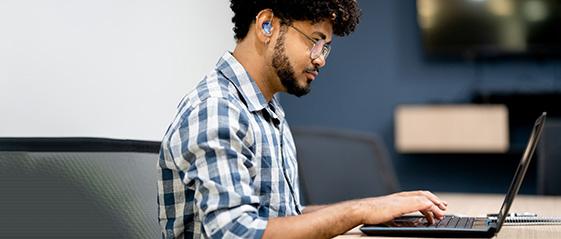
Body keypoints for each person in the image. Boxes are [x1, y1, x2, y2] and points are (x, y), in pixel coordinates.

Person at [157, 1, 447, 238]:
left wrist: (373, 208)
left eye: (325, 46)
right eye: (315, 40)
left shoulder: (267, 110)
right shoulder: (218, 109)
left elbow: (283, 218)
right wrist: (359, 212)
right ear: (266, 25)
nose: (320, 59)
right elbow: (237, 233)